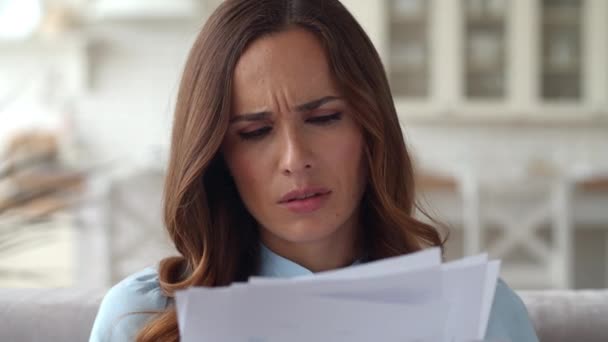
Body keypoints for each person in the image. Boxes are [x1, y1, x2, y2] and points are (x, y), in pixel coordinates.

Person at [89, 0, 539, 341]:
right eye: (254, 131)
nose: (294, 158)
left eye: (324, 118)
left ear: (371, 128)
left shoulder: (481, 316)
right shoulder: (141, 319)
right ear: (218, 154)